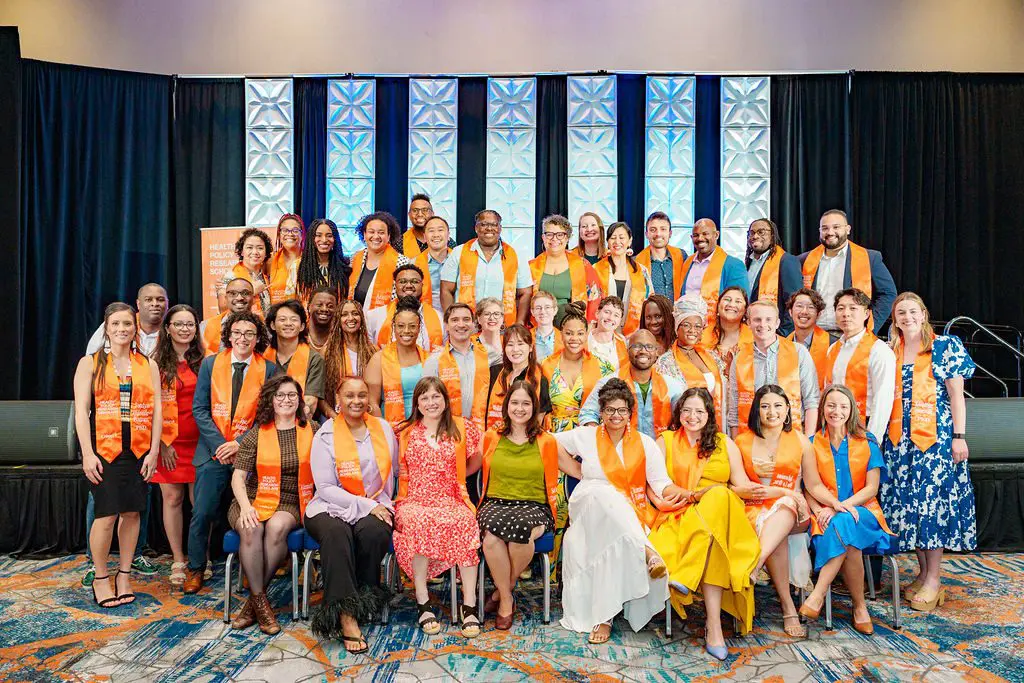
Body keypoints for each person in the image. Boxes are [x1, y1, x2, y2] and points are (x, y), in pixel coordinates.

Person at [553, 379, 685, 644]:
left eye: (622, 410)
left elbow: (660, 482)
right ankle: (647, 552)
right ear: (601, 412)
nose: (616, 415)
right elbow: (549, 443)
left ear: (630, 413)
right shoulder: (587, 435)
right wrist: (576, 471)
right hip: (589, 502)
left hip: (625, 509)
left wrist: (684, 493)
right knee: (602, 493)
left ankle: (605, 616)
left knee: (613, 515)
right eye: (610, 410)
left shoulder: (644, 443)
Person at [647, 388, 759, 660]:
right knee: (713, 539)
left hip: (723, 512)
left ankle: (687, 574)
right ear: (678, 413)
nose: (692, 416)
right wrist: (664, 501)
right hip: (680, 513)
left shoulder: (723, 443)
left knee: (720, 494)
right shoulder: (666, 441)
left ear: (709, 415)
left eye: (699, 411)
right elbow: (650, 484)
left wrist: (788, 493)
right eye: (686, 410)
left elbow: (742, 485)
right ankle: (714, 626)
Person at [881, 292, 976, 612]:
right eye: (900, 313)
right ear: (894, 319)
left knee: (931, 507)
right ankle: (923, 574)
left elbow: (957, 397)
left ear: (923, 314)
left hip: (934, 444)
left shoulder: (944, 346)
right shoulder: (890, 350)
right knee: (911, 508)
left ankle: (935, 579)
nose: (906, 317)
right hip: (899, 444)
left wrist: (959, 437)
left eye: (912, 311)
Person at [73, 303, 162, 608]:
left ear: (135, 327)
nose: (122, 329)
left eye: (128, 324)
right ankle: (100, 576)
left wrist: (153, 451)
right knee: (106, 515)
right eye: (116, 324)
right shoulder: (90, 363)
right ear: (107, 328)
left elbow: (158, 411)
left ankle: (124, 574)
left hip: (137, 450)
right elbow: (81, 414)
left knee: (133, 513)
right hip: (104, 450)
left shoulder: (147, 364)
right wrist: (87, 453)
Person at [185, 311, 279, 593]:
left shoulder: (270, 369)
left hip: (250, 453)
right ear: (228, 335)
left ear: (258, 338)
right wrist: (220, 445)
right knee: (202, 513)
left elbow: (268, 415)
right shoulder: (211, 364)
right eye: (237, 333)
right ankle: (196, 567)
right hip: (213, 452)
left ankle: (250, 568)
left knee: (252, 514)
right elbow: (199, 409)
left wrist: (239, 443)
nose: (242, 338)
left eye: (249, 334)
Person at [305, 376, 398, 653]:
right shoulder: (325, 434)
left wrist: (380, 505)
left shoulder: (382, 428)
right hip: (328, 505)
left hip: (374, 502)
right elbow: (325, 487)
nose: (356, 401)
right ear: (338, 398)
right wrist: (369, 506)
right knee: (337, 533)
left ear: (369, 398)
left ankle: (364, 597)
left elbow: (392, 475)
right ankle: (345, 615)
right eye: (349, 396)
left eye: (361, 395)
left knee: (374, 531)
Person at [799, 384, 895, 635]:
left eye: (843, 406)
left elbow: (872, 488)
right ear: (822, 409)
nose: (836, 411)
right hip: (825, 514)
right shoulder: (811, 443)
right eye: (831, 405)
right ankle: (859, 606)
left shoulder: (867, 442)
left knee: (845, 522)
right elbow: (809, 486)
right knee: (849, 539)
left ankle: (818, 594)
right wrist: (821, 509)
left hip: (864, 512)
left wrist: (841, 507)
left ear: (852, 410)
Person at [392, 377, 484, 638]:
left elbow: (476, 459)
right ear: (417, 403)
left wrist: (459, 476)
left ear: (445, 400)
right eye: (424, 398)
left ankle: (469, 604)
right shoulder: (406, 432)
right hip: (415, 499)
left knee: (466, 523)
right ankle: (423, 600)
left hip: (451, 497)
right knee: (415, 523)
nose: (431, 402)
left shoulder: (462, 428)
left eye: (436, 397)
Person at [227, 374, 315, 635]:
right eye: (280, 395)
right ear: (271, 400)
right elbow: (238, 477)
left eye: (292, 395)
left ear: (300, 400)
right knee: (252, 527)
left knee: (277, 527)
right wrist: (245, 507)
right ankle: (262, 605)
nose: (286, 400)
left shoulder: (314, 430)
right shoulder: (255, 434)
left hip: (292, 500)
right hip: (252, 498)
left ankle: (254, 603)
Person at [729, 385, 813, 638]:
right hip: (752, 508)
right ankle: (788, 607)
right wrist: (748, 490)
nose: (772, 411)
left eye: (778, 405)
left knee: (785, 509)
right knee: (776, 535)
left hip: (792, 506)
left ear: (787, 409)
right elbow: (734, 485)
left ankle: (755, 563)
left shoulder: (800, 440)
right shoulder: (741, 441)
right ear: (757, 411)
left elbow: (814, 483)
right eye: (765, 406)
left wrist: (782, 493)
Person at [478, 380, 564, 629]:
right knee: (491, 539)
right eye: (514, 402)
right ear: (506, 406)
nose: (519, 408)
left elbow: (576, 468)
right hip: (495, 503)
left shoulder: (547, 441)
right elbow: (466, 467)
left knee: (522, 535)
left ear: (534, 407)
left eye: (526, 403)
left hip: (534, 505)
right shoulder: (491, 437)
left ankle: (502, 593)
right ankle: (506, 597)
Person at [151, 305, 204, 587]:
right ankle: (178, 558)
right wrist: (161, 443)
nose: (185, 329)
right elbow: (148, 407)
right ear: (168, 328)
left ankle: (199, 558)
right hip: (168, 442)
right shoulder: (155, 363)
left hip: (200, 442)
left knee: (201, 504)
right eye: (179, 324)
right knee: (172, 500)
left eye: (190, 324)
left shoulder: (205, 360)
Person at [727, 300, 820, 437]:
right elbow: (734, 408)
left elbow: (811, 401)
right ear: (749, 323)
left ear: (777, 323)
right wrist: (737, 443)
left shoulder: (798, 352)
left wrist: (808, 439)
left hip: (792, 435)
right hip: (752, 437)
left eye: (768, 319)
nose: (763, 324)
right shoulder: (740, 358)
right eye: (757, 319)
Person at [800, 209, 897, 337]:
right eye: (825, 228)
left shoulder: (869, 258)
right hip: (812, 335)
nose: (830, 232)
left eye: (836, 227)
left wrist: (871, 326)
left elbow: (888, 293)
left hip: (851, 335)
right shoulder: (804, 260)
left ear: (848, 229)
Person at [823, 288, 897, 444]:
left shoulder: (879, 351)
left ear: (866, 313)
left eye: (853, 308)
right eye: (840, 308)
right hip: (836, 427)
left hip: (865, 427)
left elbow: (883, 400)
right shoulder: (833, 349)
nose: (846, 313)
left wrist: (872, 440)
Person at [580, 329, 684, 439]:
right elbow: (587, 414)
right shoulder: (608, 383)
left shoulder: (672, 387)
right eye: (637, 346)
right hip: (619, 450)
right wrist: (603, 440)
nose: (643, 351)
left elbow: (684, 418)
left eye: (649, 347)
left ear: (656, 352)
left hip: (660, 451)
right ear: (627, 350)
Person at [441, 209, 533, 326]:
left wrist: (519, 323)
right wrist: (451, 321)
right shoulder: (459, 252)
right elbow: (446, 289)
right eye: (484, 224)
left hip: (503, 326)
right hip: (467, 324)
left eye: (494, 224)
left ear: (500, 228)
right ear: (476, 228)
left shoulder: (515, 255)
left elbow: (525, 293)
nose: (489, 228)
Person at [540, 303, 612, 433]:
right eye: (569, 333)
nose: (574, 338)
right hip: (554, 435)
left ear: (586, 334)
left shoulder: (603, 367)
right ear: (561, 334)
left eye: (580, 333)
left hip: (590, 434)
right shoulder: (546, 365)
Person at [655, 296, 724, 428]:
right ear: (677, 328)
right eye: (686, 325)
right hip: (684, 425)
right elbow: (664, 401)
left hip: (713, 424)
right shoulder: (666, 362)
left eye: (697, 326)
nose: (692, 331)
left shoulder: (712, 357)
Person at [423, 303, 491, 431]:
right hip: (446, 431)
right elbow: (426, 402)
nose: (461, 324)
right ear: (446, 326)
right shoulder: (434, 361)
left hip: (481, 430)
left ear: (473, 324)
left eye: (466, 319)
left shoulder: (490, 354)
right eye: (454, 320)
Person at [529, 214, 603, 325]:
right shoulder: (531, 266)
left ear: (567, 238)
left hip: (573, 327)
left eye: (560, 235)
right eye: (549, 234)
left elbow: (595, 298)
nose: (554, 239)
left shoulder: (583, 265)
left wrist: (589, 327)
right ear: (543, 237)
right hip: (539, 326)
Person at [365, 296, 428, 424]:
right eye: (401, 326)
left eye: (412, 326)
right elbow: (372, 403)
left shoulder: (428, 358)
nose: (406, 331)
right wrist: (384, 432)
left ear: (419, 328)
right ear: (394, 327)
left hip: (424, 427)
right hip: (390, 426)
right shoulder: (379, 359)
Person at [680, 218, 748, 332]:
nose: (700, 238)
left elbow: (740, 305)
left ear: (716, 235)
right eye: (696, 235)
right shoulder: (687, 263)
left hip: (718, 331)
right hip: (688, 331)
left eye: (705, 233)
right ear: (691, 238)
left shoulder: (733, 265)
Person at [264, 300, 326, 419]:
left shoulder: (314, 359)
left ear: (302, 326)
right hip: (266, 419)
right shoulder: (262, 358)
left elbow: (310, 403)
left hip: (301, 420)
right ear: (272, 325)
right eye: (282, 319)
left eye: (293, 319)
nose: (288, 323)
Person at [366, 263, 444, 352]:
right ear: (395, 286)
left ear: (422, 285)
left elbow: (445, 352)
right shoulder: (374, 316)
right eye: (403, 281)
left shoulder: (439, 317)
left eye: (415, 281)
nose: (409, 286)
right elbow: (369, 351)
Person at [321, 299, 378, 420]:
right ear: (338, 320)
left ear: (362, 318)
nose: (350, 318)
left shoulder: (373, 351)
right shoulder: (327, 352)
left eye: (355, 313)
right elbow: (320, 393)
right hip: (336, 416)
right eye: (344, 314)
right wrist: (334, 418)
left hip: (367, 416)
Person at [592, 222, 653, 336]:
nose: (617, 242)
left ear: (629, 241)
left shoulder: (641, 271)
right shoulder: (596, 269)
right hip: (602, 331)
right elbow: (591, 302)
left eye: (621, 237)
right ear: (608, 242)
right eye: (613, 238)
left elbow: (649, 300)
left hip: (633, 332)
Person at [487, 324, 551, 432]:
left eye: (520, 344)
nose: (515, 349)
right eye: (510, 345)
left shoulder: (539, 380)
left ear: (530, 347)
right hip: (495, 438)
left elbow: (538, 421)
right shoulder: (497, 374)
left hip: (526, 442)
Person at [745, 219, 802, 335]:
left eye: (761, 232)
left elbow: (794, 301)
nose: (755, 236)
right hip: (751, 331)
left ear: (772, 236)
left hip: (776, 333)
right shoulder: (748, 263)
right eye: (751, 233)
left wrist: (783, 333)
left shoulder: (786, 261)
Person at [349, 211, 410, 313]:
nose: (376, 236)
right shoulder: (355, 259)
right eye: (371, 232)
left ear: (389, 236)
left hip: (387, 323)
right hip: (355, 322)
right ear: (364, 234)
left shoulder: (402, 263)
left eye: (381, 232)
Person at [86, 283, 168, 355]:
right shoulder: (117, 324)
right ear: (138, 304)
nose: (155, 304)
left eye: (160, 300)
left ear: (167, 303)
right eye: (148, 300)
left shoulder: (173, 328)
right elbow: (91, 355)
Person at [296, 218, 352, 304]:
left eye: (329, 235)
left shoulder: (345, 266)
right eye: (318, 235)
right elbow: (292, 301)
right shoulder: (297, 266)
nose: (324, 240)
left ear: (335, 239)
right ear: (311, 238)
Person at [636, 211, 688, 301]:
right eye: (653, 230)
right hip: (651, 313)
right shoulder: (637, 262)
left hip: (679, 312)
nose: (658, 234)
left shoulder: (681, 256)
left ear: (670, 233)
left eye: (663, 229)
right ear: (646, 234)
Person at [219, 228, 273, 315]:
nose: (255, 252)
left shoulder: (267, 276)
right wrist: (252, 291)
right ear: (242, 252)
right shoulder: (231, 276)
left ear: (266, 253)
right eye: (249, 247)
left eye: (260, 248)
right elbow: (223, 307)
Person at [786, 288, 829, 392]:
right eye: (799, 306)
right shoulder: (782, 345)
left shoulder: (832, 344)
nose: (804, 311)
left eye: (811, 307)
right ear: (790, 312)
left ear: (819, 314)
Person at [412, 215, 453, 315]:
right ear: (425, 237)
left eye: (440, 230)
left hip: (456, 318)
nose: (436, 235)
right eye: (431, 231)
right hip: (425, 318)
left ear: (448, 236)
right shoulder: (413, 264)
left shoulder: (459, 260)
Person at [202, 278, 255, 355]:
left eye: (245, 293)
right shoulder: (205, 326)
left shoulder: (265, 328)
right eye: (233, 294)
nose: (239, 298)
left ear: (253, 297)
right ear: (226, 298)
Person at [705, 285, 752, 370]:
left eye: (738, 301)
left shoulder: (754, 338)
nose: (731, 304)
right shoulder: (702, 335)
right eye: (727, 299)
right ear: (718, 306)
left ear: (745, 310)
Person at [267, 214, 305, 304]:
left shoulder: (310, 260)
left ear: (302, 234)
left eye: (295, 230)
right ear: (279, 234)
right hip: (277, 314)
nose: (290, 234)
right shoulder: (270, 261)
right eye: (285, 230)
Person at [587, 296, 630, 371]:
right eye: (607, 312)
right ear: (597, 313)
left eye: (616, 315)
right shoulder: (585, 339)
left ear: (620, 321)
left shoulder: (623, 342)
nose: (610, 318)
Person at [306, 287, 339, 356]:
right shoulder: (298, 336)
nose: (324, 309)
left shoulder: (341, 339)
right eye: (319, 305)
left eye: (330, 306)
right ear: (309, 307)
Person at [530, 291, 563, 361]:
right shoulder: (525, 337)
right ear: (532, 312)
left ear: (555, 310)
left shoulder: (564, 338)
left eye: (547, 307)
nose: (542, 312)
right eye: (538, 308)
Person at [401, 193, 434, 258]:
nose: (420, 214)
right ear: (409, 215)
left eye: (425, 210)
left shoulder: (446, 242)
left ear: (432, 214)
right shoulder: (399, 243)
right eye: (415, 210)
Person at [475, 297, 506, 366]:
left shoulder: (509, 341)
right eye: (487, 314)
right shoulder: (470, 344)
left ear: (502, 318)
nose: (492, 318)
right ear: (479, 318)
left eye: (496, 314)